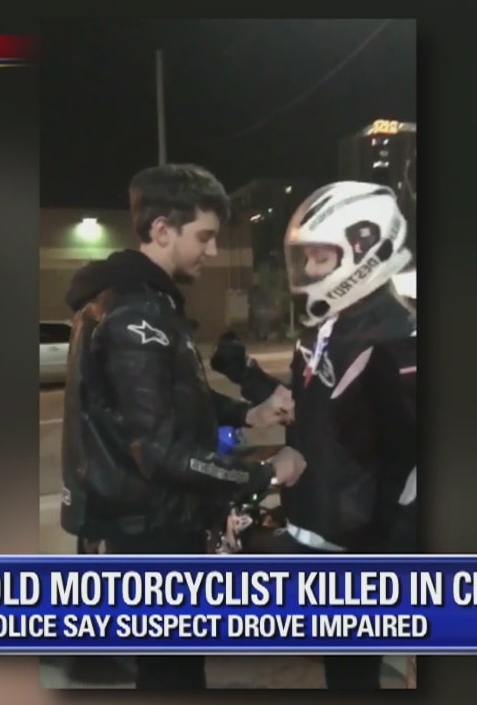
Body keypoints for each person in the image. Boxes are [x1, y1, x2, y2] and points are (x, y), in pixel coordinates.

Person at [58, 163, 306, 691]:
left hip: (149, 520)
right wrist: (264, 475)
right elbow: (162, 452)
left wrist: (248, 414)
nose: (212, 251)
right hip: (149, 529)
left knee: (170, 665)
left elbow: (175, 401)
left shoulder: (150, 303)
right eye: (205, 236)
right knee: (172, 671)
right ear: (162, 230)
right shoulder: (135, 315)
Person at [213, 181, 418, 689]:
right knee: (339, 671)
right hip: (319, 525)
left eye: (320, 257)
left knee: (353, 676)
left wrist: (384, 551)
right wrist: (248, 377)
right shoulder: (328, 326)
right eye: (304, 257)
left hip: (359, 546)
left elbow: (407, 463)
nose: (307, 269)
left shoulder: (399, 341)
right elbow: (311, 408)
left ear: (366, 249)